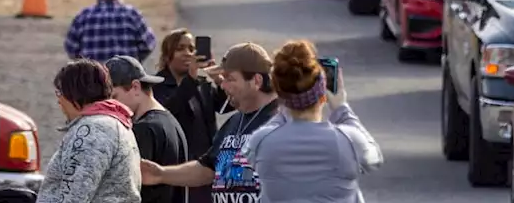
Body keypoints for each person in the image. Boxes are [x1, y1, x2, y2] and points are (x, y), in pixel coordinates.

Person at [243, 41, 382, 203]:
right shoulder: (349, 140)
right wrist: (341, 108)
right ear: (322, 95)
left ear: (281, 95)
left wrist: (284, 104)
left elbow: (248, 158)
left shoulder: (262, 141)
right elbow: (375, 158)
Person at [140, 43, 279, 203]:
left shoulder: (282, 122)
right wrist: (161, 174)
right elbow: (207, 169)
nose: (223, 85)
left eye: (230, 79)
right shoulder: (234, 122)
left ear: (256, 80)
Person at [39, 60, 141, 203]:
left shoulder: (92, 130)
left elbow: (75, 194)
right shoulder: (114, 123)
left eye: (60, 92)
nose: (59, 100)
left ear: (74, 93)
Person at [152, 31, 227, 203]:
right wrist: (191, 79)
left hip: (206, 166)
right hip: (178, 168)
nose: (188, 53)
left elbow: (225, 107)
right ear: (168, 54)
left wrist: (220, 81)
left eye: (192, 48)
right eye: (180, 48)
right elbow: (168, 112)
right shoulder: (157, 85)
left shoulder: (201, 84)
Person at [107, 57, 189, 203]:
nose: (111, 106)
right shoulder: (170, 121)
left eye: (114, 97)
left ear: (136, 87)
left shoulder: (144, 129)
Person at [66, 0, 158, 63]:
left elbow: (71, 47)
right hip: (126, 76)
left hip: (93, 76)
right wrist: (134, 62)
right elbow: (148, 44)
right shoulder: (132, 14)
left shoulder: (84, 16)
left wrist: (85, 65)